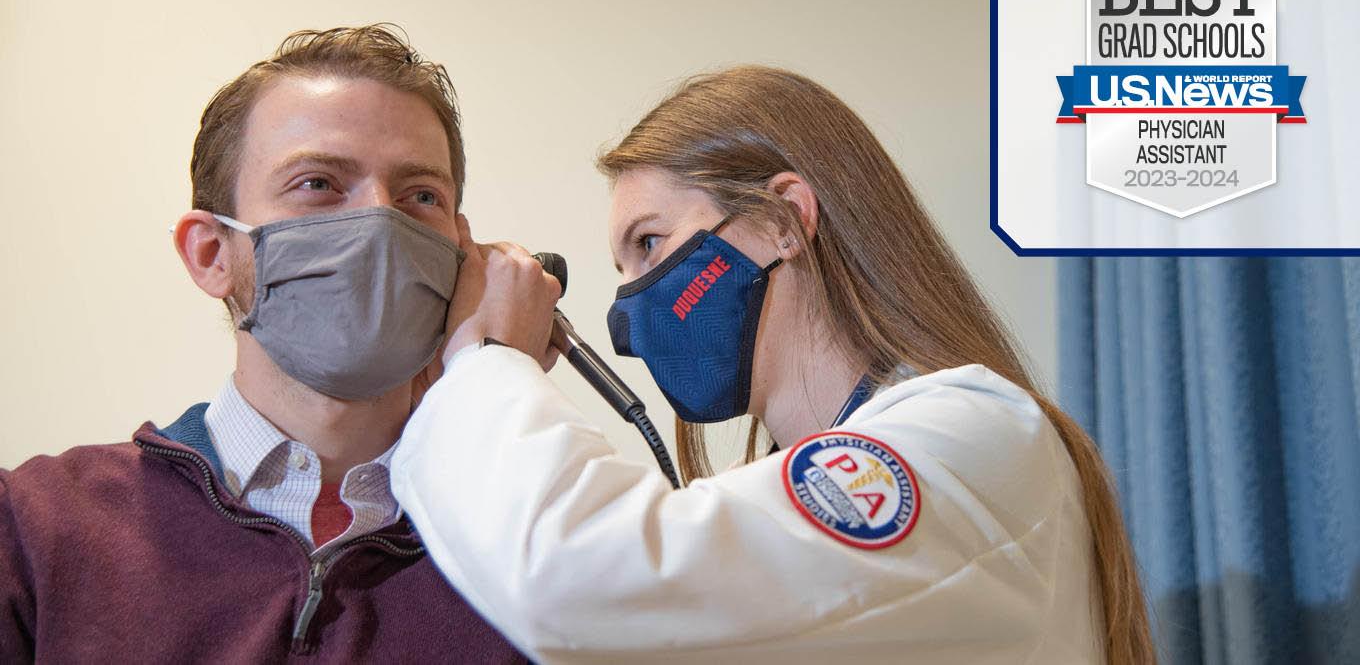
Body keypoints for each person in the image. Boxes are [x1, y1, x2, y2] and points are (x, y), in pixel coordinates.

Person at [391, 66, 1157, 663]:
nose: (627, 313)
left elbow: (578, 572)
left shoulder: (973, 435)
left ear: (782, 220)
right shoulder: (775, 511)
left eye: (650, 244)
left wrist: (486, 357)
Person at [0, 25, 528, 661]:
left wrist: (498, 383)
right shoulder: (37, 529)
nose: (381, 222)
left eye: (421, 196)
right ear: (211, 253)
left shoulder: (534, 551)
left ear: (463, 253)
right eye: (318, 184)